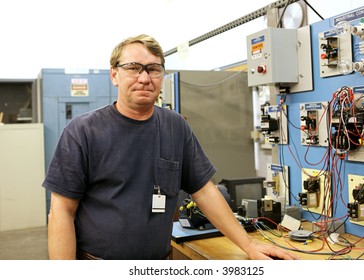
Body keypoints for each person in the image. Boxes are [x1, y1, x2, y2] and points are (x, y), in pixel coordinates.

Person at [43, 34, 299, 260]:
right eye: (133, 67)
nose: (144, 78)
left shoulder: (175, 126)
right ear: (114, 74)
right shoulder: (83, 131)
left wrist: (249, 245)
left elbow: (205, 191)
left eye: (153, 69)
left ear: (162, 75)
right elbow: (61, 212)